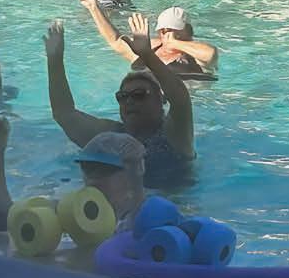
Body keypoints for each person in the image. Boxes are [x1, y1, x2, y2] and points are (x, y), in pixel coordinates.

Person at [45, 16, 194, 185]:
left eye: (139, 94)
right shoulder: (113, 137)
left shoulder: (174, 134)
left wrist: (147, 55)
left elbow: (180, 99)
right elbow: (64, 113)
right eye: (122, 97)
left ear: (161, 99)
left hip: (174, 199)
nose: (129, 101)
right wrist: (54, 60)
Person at [0, 114, 148, 233]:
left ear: (129, 175)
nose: (93, 179)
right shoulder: (73, 210)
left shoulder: (148, 213)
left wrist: (136, 182)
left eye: (104, 170)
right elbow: (6, 215)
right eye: (88, 167)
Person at [75, 0, 217, 76]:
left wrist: (175, 44)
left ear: (188, 31)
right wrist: (93, 8)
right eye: (164, 30)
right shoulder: (151, 47)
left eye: (173, 30)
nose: (167, 34)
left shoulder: (196, 56)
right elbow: (116, 41)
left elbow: (210, 54)